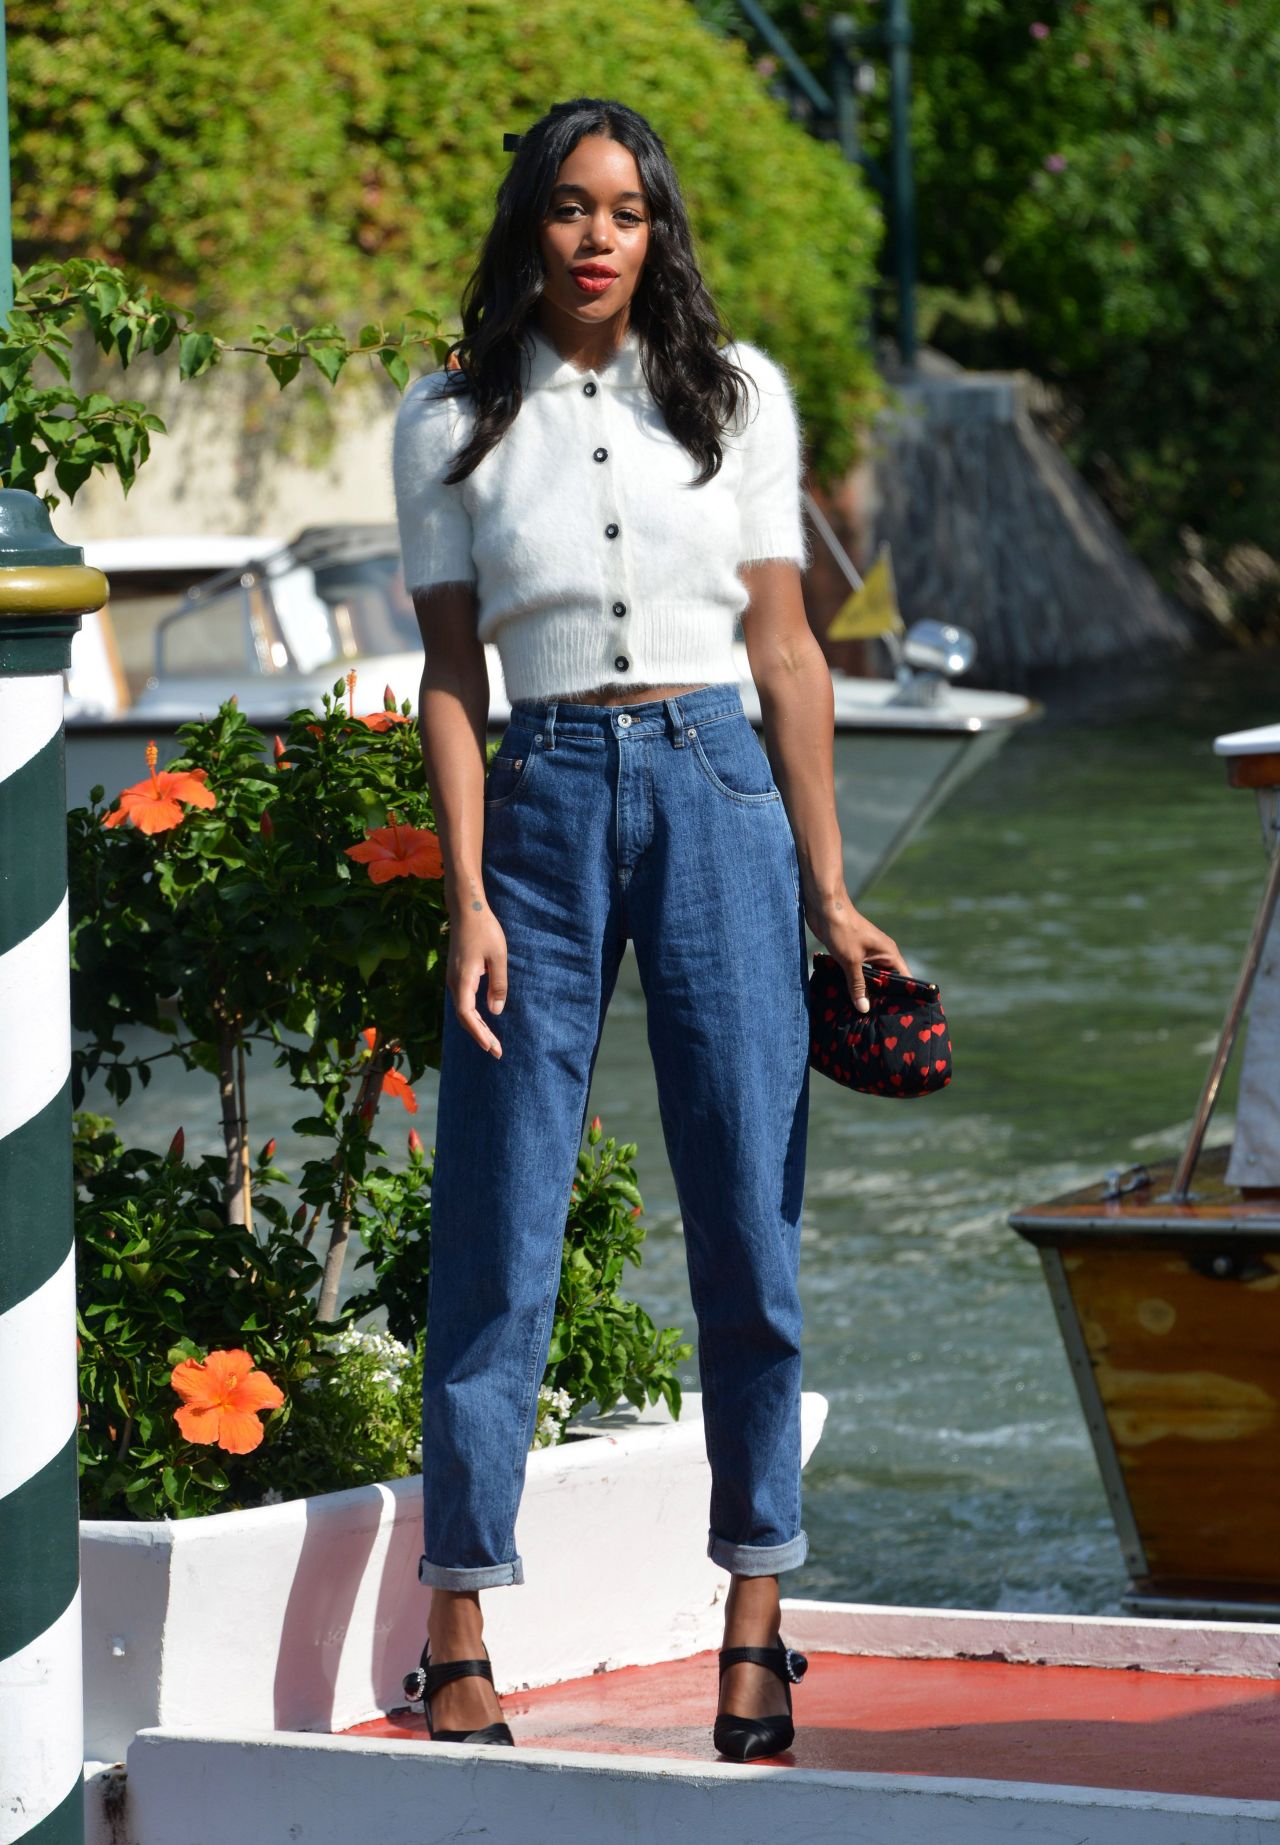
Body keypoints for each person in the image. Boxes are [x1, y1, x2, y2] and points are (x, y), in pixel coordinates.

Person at [391, 96, 908, 1762]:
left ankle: (757, 1622)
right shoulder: (451, 418)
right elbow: (453, 678)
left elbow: (789, 658)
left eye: (625, 209)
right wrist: (468, 897)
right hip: (534, 802)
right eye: (567, 208)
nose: (598, 235)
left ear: (657, 228)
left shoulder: (738, 396)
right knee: (495, 1217)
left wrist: (830, 891)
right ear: (527, 228)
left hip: (717, 796)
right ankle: (457, 1616)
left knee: (749, 1222)